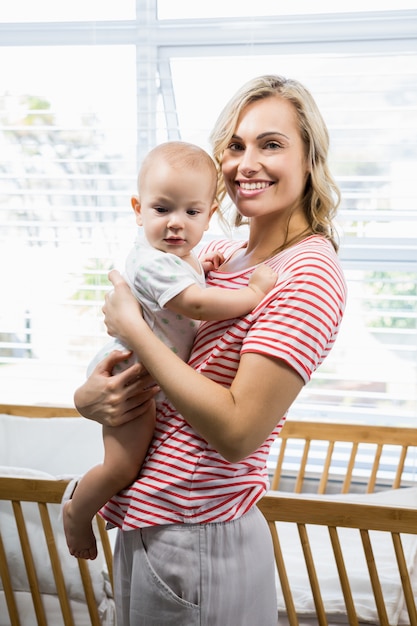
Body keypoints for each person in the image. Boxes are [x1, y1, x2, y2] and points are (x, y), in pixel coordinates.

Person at [73, 75, 347, 625]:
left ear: (311, 158)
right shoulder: (217, 252)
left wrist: (135, 328)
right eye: (236, 145)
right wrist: (90, 398)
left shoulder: (307, 272)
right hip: (150, 520)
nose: (248, 162)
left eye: (271, 144)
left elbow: (237, 432)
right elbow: (141, 350)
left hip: (195, 531)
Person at [63, 140, 278, 560]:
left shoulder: (181, 257)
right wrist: (252, 294)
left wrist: (202, 269)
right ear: (138, 209)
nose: (176, 224)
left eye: (191, 212)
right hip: (133, 379)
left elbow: (191, 279)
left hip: (148, 374)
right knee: (121, 467)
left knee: (128, 463)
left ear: (209, 215)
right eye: (162, 210)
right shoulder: (150, 261)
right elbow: (195, 304)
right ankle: (78, 513)